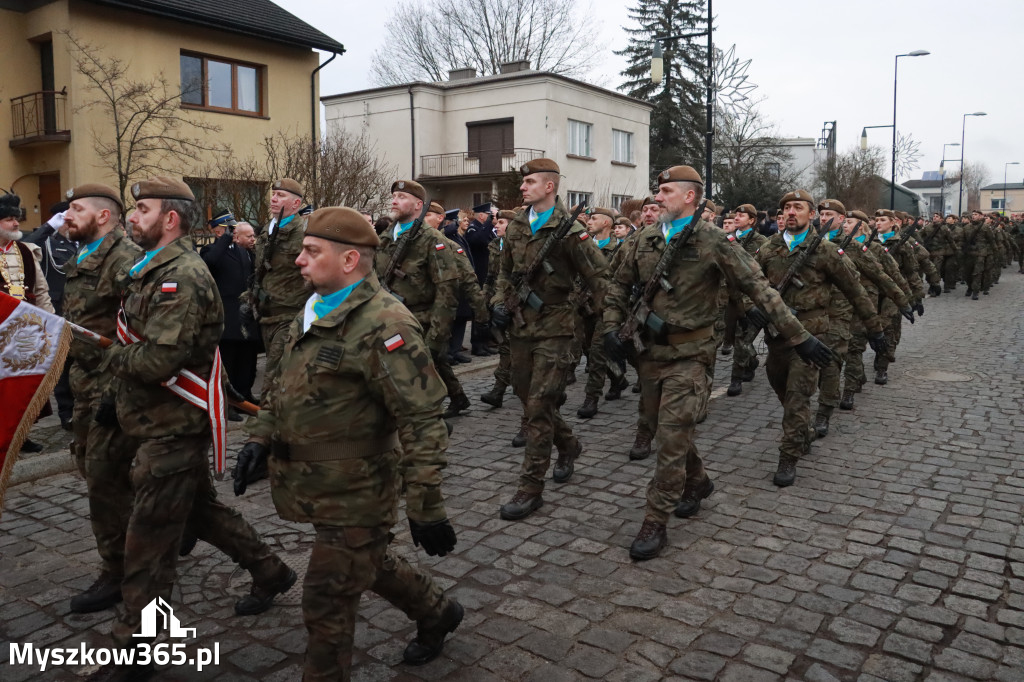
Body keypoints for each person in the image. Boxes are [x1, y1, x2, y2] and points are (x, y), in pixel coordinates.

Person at [234, 206, 462, 681]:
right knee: (371, 564)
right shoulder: (316, 307)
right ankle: (437, 611)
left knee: (326, 602)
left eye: (312, 252)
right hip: (316, 484)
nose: (299, 260)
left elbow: (422, 419)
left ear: (350, 261)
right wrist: (261, 438)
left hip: (358, 492)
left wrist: (426, 505)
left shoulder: (386, 324)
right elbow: (281, 384)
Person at [89, 177, 295, 681]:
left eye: (141, 209)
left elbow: (159, 358)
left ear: (171, 218)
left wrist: (101, 354)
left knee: (148, 545)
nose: (132, 217)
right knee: (201, 513)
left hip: (174, 427)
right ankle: (271, 570)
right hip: (152, 419)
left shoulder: (179, 275)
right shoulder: (148, 269)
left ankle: (134, 651)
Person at [603, 168, 830, 560]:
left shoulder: (714, 242)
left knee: (671, 438)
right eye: (657, 190)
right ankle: (699, 481)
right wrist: (610, 327)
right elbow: (617, 283)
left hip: (691, 358)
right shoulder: (646, 238)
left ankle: (655, 520)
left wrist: (799, 336)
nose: (657, 197)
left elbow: (760, 288)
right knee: (662, 430)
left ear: (690, 197)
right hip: (650, 353)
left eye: (666, 191)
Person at [490, 159, 607, 521]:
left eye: (530, 182)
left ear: (549, 187)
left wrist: (610, 324)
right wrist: (497, 302)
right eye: (523, 182)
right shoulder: (518, 226)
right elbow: (505, 273)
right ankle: (569, 445)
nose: (523, 187)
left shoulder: (570, 231)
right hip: (522, 326)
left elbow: (599, 277)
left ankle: (530, 488)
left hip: (558, 327)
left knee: (538, 407)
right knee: (526, 398)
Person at [756, 191, 885, 487]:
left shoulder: (826, 251)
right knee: (780, 388)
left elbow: (855, 290)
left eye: (797, 207)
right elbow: (748, 282)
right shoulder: (769, 247)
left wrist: (874, 327)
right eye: (786, 207)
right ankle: (804, 432)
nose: (791, 212)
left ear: (810, 214)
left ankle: (788, 455)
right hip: (776, 336)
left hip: (812, 335)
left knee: (797, 397)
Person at [60, 184, 142, 615]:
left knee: (105, 483)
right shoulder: (83, 254)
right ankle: (266, 568)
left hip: (112, 387)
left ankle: (119, 571)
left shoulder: (123, 260)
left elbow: (137, 331)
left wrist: (114, 392)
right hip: (85, 382)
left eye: (76, 209)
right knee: (121, 480)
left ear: (104, 216)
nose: (66, 216)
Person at [375, 181, 462, 415]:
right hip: (388, 322)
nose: (394, 200)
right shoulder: (384, 237)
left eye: (402, 196)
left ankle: (430, 428)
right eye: (393, 195)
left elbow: (447, 290)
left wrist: (437, 337)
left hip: (419, 323)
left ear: (418, 205)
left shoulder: (432, 240)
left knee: (417, 386)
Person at [836, 210, 912, 413]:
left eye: (849, 222)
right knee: (842, 349)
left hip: (869, 303)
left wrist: (907, 300)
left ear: (861, 225)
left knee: (858, 345)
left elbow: (892, 276)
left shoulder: (875, 249)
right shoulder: (834, 246)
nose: (844, 225)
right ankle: (856, 376)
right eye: (843, 222)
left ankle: (860, 383)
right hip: (838, 306)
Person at [425, 202, 490, 418]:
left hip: (434, 313)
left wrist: (481, 317)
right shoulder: (405, 243)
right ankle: (457, 397)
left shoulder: (448, 245)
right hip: (408, 312)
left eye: (428, 215)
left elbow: (469, 278)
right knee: (438, 360)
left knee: (428, 360)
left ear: (440, 219)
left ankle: (425, 415)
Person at [0, 192, 53, 453]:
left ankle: (22, 435)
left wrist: (52, 323)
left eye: (16, 218)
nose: (16, 223)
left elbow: (41, 291)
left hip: (27, 330)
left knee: (25, 382)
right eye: (9, 219)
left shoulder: (26, 251)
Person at [249, 178, 308, 405]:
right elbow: (261, 272)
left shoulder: (303, 233)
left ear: (296, 204)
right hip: (267, 316)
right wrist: (250, 298)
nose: (273, 199)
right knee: (284, 377)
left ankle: (263, 433)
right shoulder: (267, 230)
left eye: (281, 196)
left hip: (291, 315)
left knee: (274, 375)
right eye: (273, 194)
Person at [22, 201, 78, 429]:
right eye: (65, 219)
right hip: (60, 310)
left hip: (82, 310)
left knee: (81, 361)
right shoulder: (47, 243)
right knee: (63, 363)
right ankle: (67, 412)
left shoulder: (85, 243)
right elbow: (24, 248)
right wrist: (48, 227)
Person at [201, 213, 260, 412]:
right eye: (249, 236)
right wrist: (226, 238)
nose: (253, 239)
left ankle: (245, 395)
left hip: (246, 314)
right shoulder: (213, 249)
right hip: (227, 314)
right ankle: (227, 403)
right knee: (229, 360)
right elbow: (209, 263)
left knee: (247, 359)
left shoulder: (246, 252)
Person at [576, 207, 627, 419]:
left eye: (594, 218)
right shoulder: (583, 246)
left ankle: (591, 398)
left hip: (607, 309)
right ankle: (618, 379)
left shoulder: (620, 249)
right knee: (588, 348)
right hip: (584, 307)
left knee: (597, 354)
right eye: (589, 218)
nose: (589, 221)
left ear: (606, 223)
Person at [725, 204, 768, 397]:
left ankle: (736, 378)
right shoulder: (727, 239)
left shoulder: (761, 241)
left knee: (742, 338)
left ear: (751, 220)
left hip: (749, 298)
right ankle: (751, 361)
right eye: (736, 214)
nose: (737, 217)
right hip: (728, 297)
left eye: (742, 215)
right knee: (732, 338)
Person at [481, 209, 516, 410]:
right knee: (506, 348)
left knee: (516, 350)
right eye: (496, 222)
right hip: (499, 303)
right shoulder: (495, 245)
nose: (496, 225)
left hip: (518, 302)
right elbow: (490, 277)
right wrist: (484, 301)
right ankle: (499, 390)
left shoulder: (521, 245)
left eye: (501, 222)